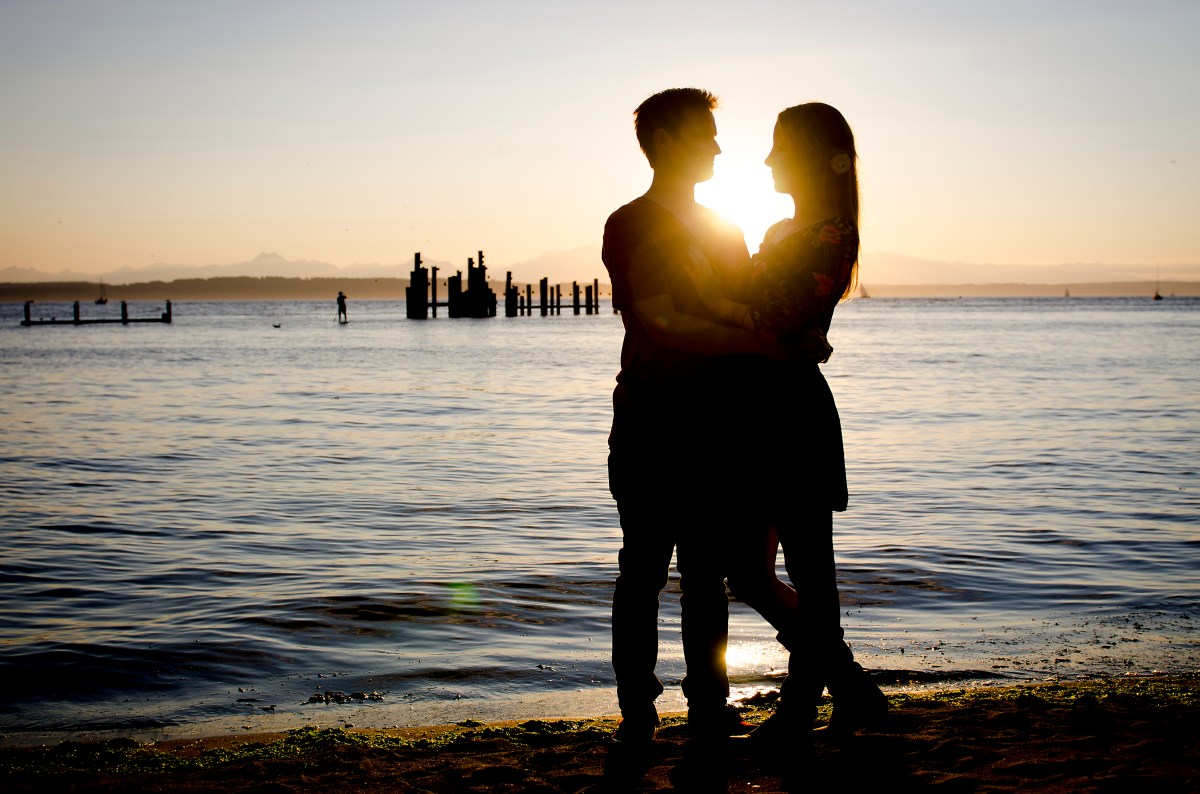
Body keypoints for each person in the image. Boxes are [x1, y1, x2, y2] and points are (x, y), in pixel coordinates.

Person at [687, 101, 888, 749]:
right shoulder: (779, 233)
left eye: (779, 147)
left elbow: (773, 314)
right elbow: (757, 313)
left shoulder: (833, 232)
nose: (768, 159)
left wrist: (720, 304)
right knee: (746, 570)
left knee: (810, 570)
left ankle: (805, 707)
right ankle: (849, 686)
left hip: (793, 416)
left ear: (810, 155)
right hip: (750, 414)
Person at [603, 87, 779, 747]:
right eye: (705, 133)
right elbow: (664, 320)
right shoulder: (631, 224)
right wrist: (754, 341)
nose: (717, 145)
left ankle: (708, 704)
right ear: (668, 140)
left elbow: (743, 312)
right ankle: (638, 715)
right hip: (651, 417)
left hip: (717, 424)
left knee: (706, 573)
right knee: (644, 568)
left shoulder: (727, 228)